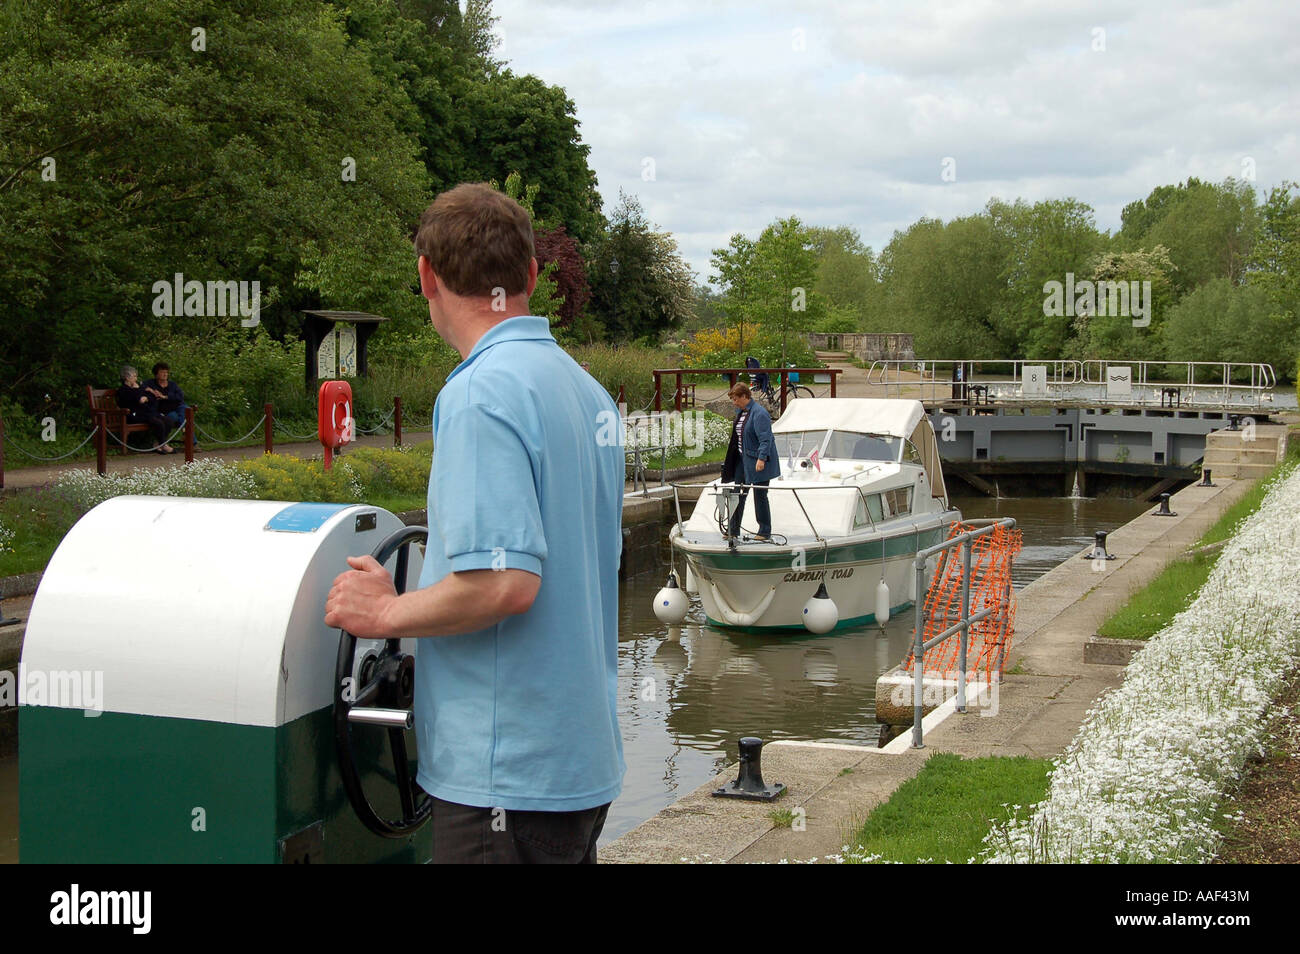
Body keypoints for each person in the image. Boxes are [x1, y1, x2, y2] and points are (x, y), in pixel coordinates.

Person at [323, 183, 625, 864]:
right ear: (531, 275)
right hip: (576, 764)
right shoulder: (586, 390)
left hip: (506, 779)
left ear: (426, 275)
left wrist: (388, 612)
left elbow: (502, 585)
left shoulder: (480, 393)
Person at [720, 382, 781, 540]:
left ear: (745, 396)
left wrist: (761, 459)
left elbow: (765, 439)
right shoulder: (741, 411)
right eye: (732, 399)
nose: (734, 402)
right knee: (737, 493)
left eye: (735, 399)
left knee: (760, 495)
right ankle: (733, 529)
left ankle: (764, 530)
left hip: (757, 460)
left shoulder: (759, 413)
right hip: (743, 459)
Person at [115, 365, 175, 454]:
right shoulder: (123, 390)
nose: (136, 378)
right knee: (158, 423)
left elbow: (151, 396)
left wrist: (146, 398)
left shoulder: (138, 388)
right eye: (134, 376)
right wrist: (139, 392)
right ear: (127, 378)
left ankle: (159, 443)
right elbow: (136, 400)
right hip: (133, 415)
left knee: (169, 421)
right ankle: (163, 445)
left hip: (146, 413)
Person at [144, 363, 190, 439]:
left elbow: (180, 396)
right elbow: (142, 387)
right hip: (167, 411)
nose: (165, 374)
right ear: (156, 374)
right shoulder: (151, 383)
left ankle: (187, 436)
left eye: (166, 372)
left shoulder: (172, 384)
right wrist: (152, 391)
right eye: (162, 372)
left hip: (178, 406)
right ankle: (187, 437)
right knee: (174, 417)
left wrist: (165, 397)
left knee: (185, 409)